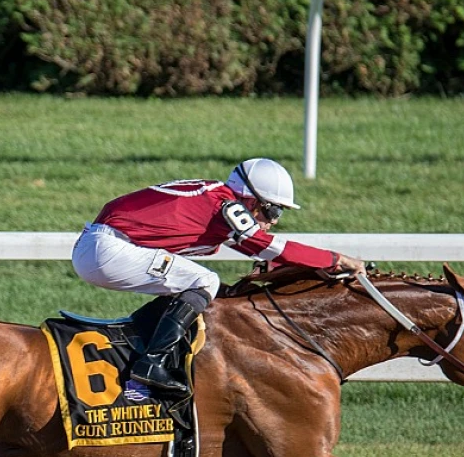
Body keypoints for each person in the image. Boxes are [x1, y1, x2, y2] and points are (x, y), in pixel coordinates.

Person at [72, 157, 366, 395]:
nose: (274, 220)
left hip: (103, 246)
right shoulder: (227, 204)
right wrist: (335, 259)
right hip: (108, 249)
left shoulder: (218, 203)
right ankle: (151, 363)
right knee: (205, 282)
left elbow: (262, 254)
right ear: (251, 200)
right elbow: (267, 246)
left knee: (209, 290)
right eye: (273, 210)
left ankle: (148, 352)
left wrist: (313, 269)